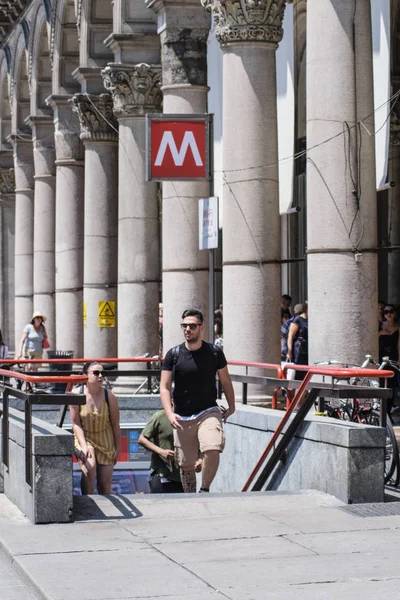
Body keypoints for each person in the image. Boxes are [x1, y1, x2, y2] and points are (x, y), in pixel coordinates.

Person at [160, 308, 235, 493]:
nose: (187, 329)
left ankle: (205, 489)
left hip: (208, 411)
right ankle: (191, 497)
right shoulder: (173, 354)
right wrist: (169, 413)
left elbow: (225, 380)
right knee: (186, 466)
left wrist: (232, 406)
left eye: (192, 326)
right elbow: (164, 386)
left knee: (212, 447)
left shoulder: (214, 352)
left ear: (201, 328)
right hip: (182, 415)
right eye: (184, 326)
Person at [70, 362, 120, 495]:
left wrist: (117, 448)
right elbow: (76, 424)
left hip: (105, 439)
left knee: (104, 485)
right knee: (89, 468)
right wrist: (84, 446)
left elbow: (115, 424)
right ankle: (88, 503)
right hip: (85, 437)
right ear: (86, 375)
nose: (101, 376)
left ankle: (104, 510)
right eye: (96, 373)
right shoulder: (76, 395)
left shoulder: (110, 396)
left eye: (103, 373)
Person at [139, 409, 184, 493]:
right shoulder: (159, 417)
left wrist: (199, 459)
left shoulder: (189, 416)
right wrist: (161, 451)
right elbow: (142, 439)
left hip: (184, 478)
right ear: (171, 400)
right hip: (162, 475)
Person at [379, 304, 399, 411]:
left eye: (391, 311)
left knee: (391, 383)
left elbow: (399, 345)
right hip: (381, 357)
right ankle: (382, 410)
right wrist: (380, 333)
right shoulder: (380, 325)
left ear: (394, 313)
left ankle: (388, 409)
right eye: (386, 312)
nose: (388, 314)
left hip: (393, 357)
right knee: (381, 382)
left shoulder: (398, 327)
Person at [286, 302, 308, 380]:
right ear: (306, 310)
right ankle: (293, 391)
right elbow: (290, 336)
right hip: (300, 350)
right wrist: (289, 352)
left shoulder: (311, 319)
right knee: (300, 374)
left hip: (308, 350)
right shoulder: (298, 319)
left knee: (307, 374)